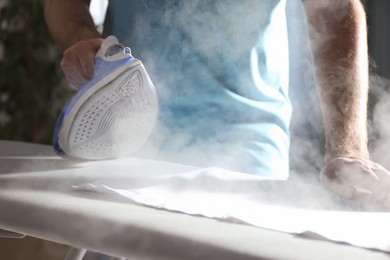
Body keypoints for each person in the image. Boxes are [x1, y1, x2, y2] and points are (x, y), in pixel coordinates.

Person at [44, 0, 390, 206]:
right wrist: (84, 40)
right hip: (127, 148)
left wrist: (349, 149)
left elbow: (332, 8)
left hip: (247, 157)